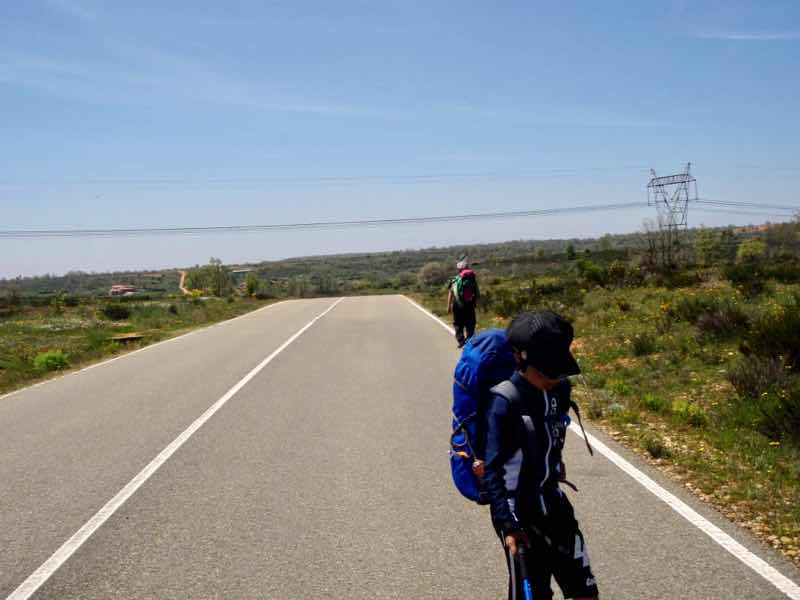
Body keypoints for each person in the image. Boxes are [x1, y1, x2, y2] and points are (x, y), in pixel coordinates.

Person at [483, 311, 599, 600]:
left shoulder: (560, 390)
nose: (556, 378)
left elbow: (554, 432)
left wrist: (554, 462)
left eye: (560, 370)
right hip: (519, 514)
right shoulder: (505, 401)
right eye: (548, 371)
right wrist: (507, 524)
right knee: (534, 594)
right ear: (520, 359)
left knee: (585, 591)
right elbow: (493, 470)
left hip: (555, 505)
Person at [446, 259, 479, 348]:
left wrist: (448, 306)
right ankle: (470, 340)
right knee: (470, 323)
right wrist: (475, 302)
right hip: (469, 304)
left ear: (458, 269)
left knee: (458, 323)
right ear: (467, 268)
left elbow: (451, 293)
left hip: (457, 304)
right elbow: (476, 291)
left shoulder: (454, 280)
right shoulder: (472, 279)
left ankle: (461, 341)